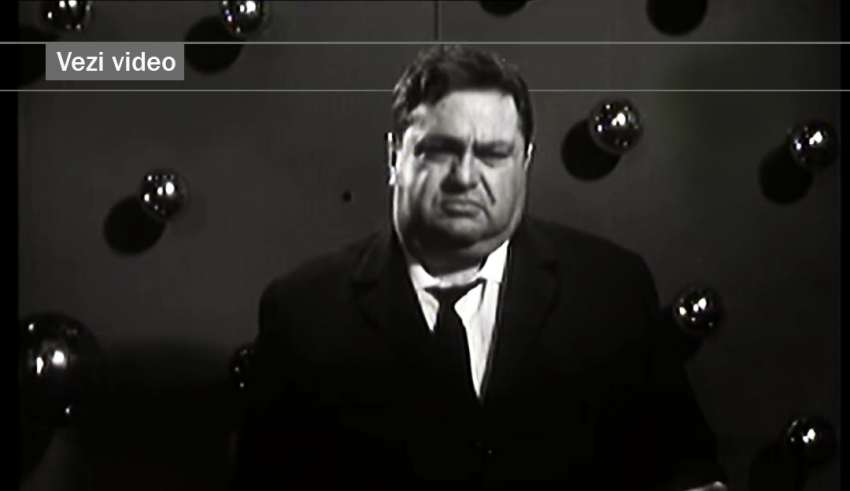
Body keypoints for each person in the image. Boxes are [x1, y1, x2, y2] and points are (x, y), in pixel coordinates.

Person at [232, 45, 727, 490]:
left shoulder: (611, 290)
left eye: (492, 154)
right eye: (440, 150)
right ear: (394, 157)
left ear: (525, 161)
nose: (465, 177)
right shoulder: (303, 311)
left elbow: (687, 471)